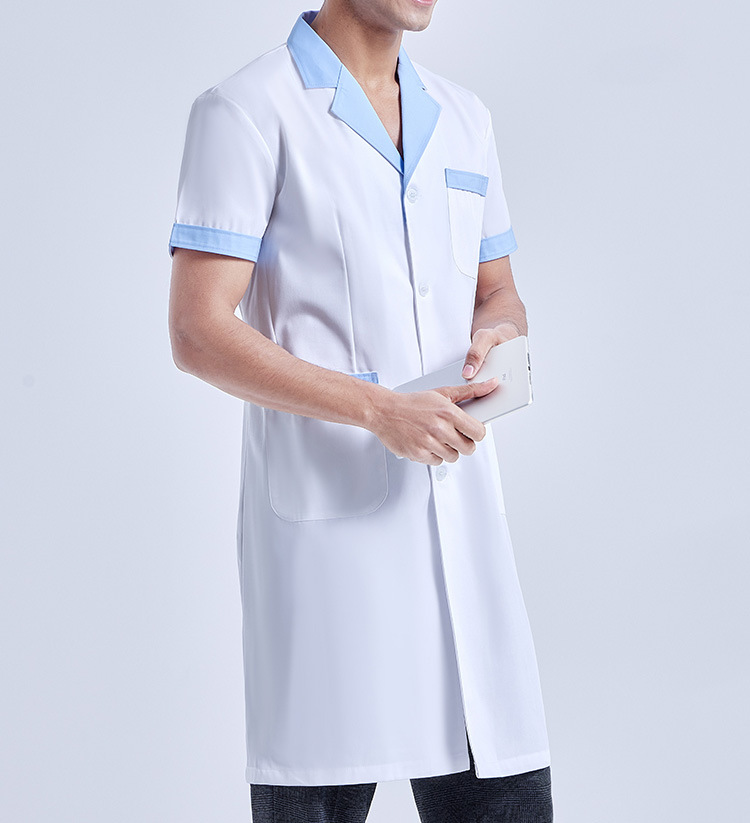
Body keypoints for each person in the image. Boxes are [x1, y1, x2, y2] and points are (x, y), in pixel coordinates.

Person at [167, 1, 554, 820]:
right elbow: (198, 329)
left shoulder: (465, 118)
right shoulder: (246, 110)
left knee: (504, 784)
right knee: (319, 783)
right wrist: (379, 410)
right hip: (329, 555)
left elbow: (498, 290)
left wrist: (499, 332)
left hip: (462, 528)